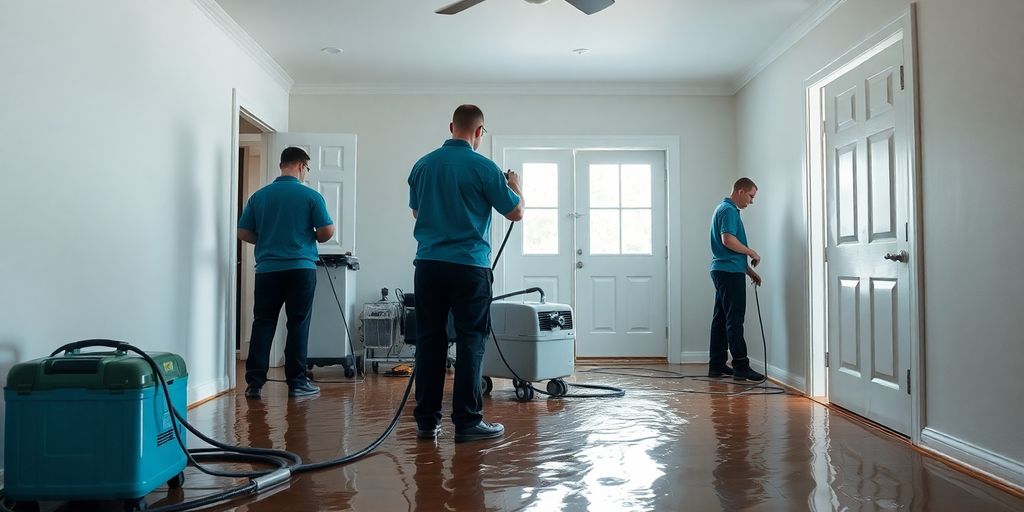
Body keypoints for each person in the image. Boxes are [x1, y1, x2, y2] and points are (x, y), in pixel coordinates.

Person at [408, 104, 524, 443]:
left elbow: (418, 212)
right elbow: (515, 211)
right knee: (471, 340)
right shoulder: (484, 168)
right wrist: (515, 185)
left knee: (430, 342)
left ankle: (427, 422)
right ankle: (467, 421)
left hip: (428, 265)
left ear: (451, 126)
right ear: (479, 132)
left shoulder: (423, 166)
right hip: (469, 266)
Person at [238, 146, 335, 399]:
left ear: (282, 165)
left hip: (268, 270)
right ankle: (297, 383)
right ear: (302, 166)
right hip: (300, 269)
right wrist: (309, 236)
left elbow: (243, 232)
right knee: (298, 324)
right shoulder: (310, 197)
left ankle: (254, 384)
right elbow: (327, 231)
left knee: (263, 323)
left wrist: (268, 239)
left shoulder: (259, 197)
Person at [708, 177, 765, 381]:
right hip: (729, 273)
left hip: (725, 270)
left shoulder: (723, 209)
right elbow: (728, 240)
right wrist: (752, 252)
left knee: (721, 319)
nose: (751, 201)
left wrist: (750, 272)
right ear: (740, 191)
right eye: (751, 196)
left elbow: (728, 249)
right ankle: (741, 365)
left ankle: (716, 365)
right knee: (734, 319)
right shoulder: (729, 210)